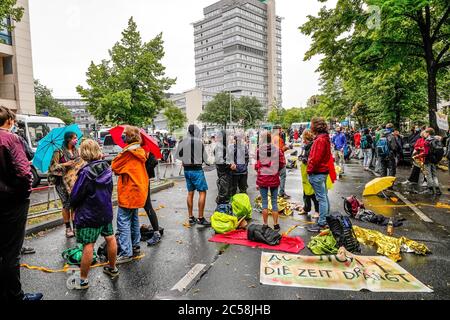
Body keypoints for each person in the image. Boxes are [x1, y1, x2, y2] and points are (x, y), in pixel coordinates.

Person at [0, 106, 43, 300]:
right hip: (11, 202)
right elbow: (24, 173)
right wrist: (22, 195)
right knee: (11, 252)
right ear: (9, 121)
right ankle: (16, 296)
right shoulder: (10, 139)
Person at [69, 139, 118, 290]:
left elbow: (76, 195)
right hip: (105, 211)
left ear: (83, 153)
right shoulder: (107, 168)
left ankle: (83, 280)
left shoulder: (85, 172)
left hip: (89, 214)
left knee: (88, 245)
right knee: (110, 238)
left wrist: (72, 204)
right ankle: (112, 268)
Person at [112, 126, 149, 263]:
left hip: (129, 191)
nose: (122, 136)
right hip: (139, 190)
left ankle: (126, 252)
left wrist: (121, 153)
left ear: (128, 137)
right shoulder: (140, 151)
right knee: (133, 218)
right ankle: (135, 245)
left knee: (123, 221)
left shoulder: (127, 153)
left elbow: (114, 166)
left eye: (124, 134)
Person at [176, 124, 211, 226]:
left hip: (187, 170)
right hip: (197, 170)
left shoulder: (182, 141)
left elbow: (178, 156)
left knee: (190, 193)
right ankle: (200, 218)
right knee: (202, 192)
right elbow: (205, 158)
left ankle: (191, 217)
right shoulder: (199, 143)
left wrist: (185, 160)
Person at [49, 131, 80, 238]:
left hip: (74, 181)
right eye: (74, 138)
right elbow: (52, 167)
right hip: (61, 183)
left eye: (76, 138)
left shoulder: (77, 150)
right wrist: (65, 164)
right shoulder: (58, 151)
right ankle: (68, 228)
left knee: (75, 204)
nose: (76, 140)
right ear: (68, 139)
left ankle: (75, 226)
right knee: (66, 204)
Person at [307, 117, 333, 233]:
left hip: (317, 172)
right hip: (322, 171)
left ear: (315, 126)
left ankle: (322, 223)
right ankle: (325, 219)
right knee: (324, 197)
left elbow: (315, 159)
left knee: (321, 198)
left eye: (311, 124)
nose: (310, 126)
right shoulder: (324, 138)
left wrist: (309, 170)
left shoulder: (320, 140)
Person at [255, 131, 285, 232]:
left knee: (264, 202)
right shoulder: (277, 150)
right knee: (274, 202)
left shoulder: (259, 150)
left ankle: (265, 224)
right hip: (274, 178)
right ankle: (276, 224)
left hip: (262, 179)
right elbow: (282, 163)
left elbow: (257, 165)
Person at [299, 130, 319, 218]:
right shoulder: (305, 146)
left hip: (311, 172)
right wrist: (301, 157)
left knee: (313, 193)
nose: (303, 140)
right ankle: (306, 208)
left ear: (307, 138)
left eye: (304, 138)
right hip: (305, 172)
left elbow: (313, 159)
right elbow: (303, 155)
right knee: (306, 191)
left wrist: (305, 159)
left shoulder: (313, 146)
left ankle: (317, 211)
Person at [144, 152, 163, 246]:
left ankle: (156, 233)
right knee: (145, 207)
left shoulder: (143, 149)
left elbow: (154, 161)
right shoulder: (139, 149)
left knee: (147, 206)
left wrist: (145, 171)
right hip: (139, 181)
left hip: (142, 181)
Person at [417, 128, 442, 195]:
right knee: (434, 175)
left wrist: (418, 156)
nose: (424, 134)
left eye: (425, 133)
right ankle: (437, 190)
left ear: (428, 133)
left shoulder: (427, 141)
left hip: (427, 160)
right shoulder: (437, 140)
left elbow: (426, 153)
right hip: (435, 160)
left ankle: (430, 190)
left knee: (428, 175)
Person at [214, 130, 234, 206]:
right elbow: (220, 160)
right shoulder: (219, 146)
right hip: (223, 174)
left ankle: (223, 211)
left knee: (225, 195)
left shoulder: (223, 146)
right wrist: (230, 165)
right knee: (223, 196)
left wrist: (231, 163)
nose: (229, 138)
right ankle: (221, 212)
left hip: (224, 174)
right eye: (228, 136)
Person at [272, 125, 290, 199]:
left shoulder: (270, 138)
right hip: (280, 161)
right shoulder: (277, 139)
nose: (281, 131)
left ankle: (274, 193)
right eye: (280, 130)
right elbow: (279, 150)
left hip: (273, 161)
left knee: (274, 178)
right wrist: (286, 148)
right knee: (282, 176)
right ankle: (281, 192)